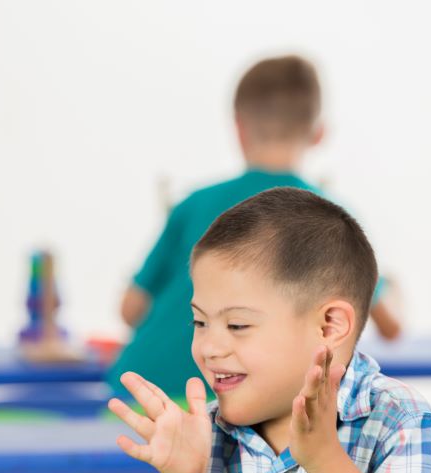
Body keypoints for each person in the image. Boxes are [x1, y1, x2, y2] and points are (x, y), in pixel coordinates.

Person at [108, 187, 431, 473]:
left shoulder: (400, 422)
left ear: (329, 327)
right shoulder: (207, 436)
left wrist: (325, 459)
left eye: (237, 325)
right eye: (200, 322)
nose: (208, 347)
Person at [110, 55, 401, 398]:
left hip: (139, 396)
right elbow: (390, 326)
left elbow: (130, 310)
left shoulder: (194, 203)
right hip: (235, 416)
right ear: (318, 133)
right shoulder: (330, 218)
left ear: (238, 126)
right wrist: (392, 291)